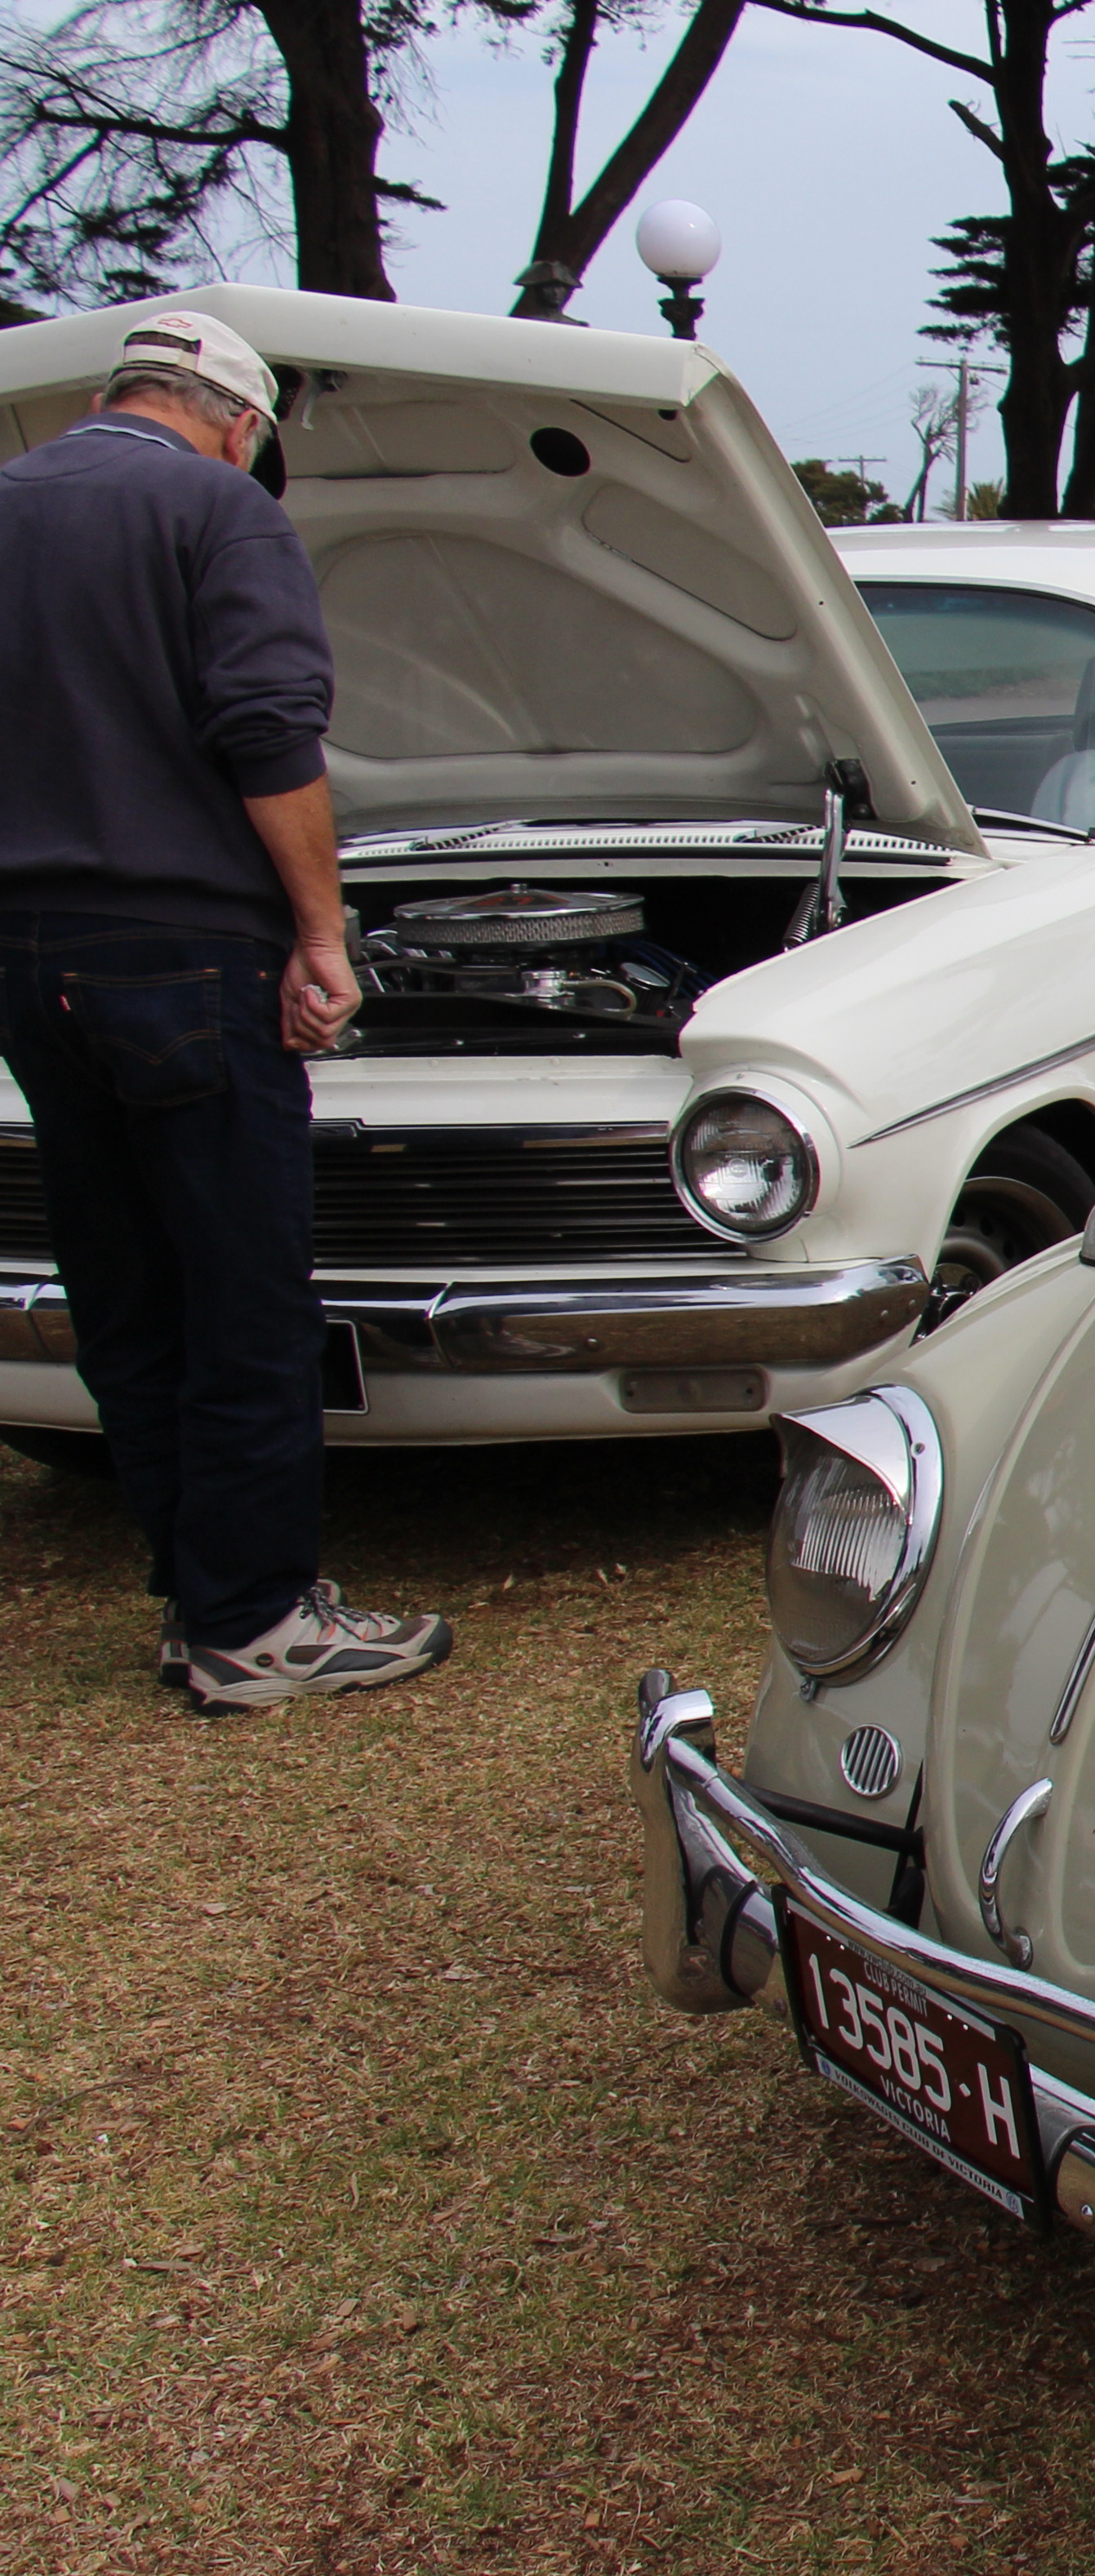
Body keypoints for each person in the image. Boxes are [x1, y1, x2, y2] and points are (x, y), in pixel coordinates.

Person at [0, 306, 453, 1712]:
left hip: (28, 952)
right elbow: (268, 732)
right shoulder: (218, 511)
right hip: (188, 951)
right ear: (243, 424)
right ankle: (258, 1621)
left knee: (124, 1284)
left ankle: (193, 1593)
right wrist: (320, 933)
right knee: (245, 1288)